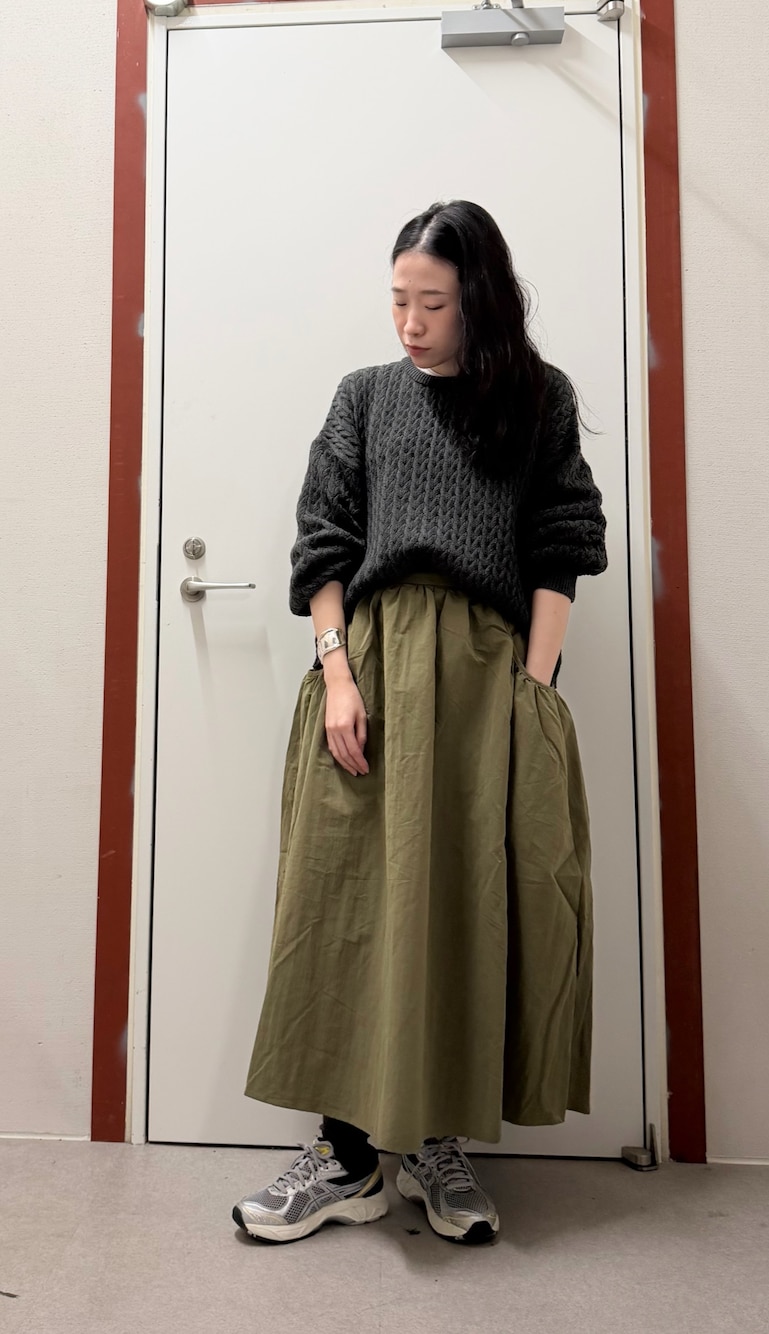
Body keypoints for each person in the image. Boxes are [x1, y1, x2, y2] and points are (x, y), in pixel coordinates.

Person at [232, 200, 607, 1246]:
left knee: (463, 901)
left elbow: (563, 542)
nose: (409, 323)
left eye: (431, 303)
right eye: (398, 299)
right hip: (371, 669)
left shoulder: (539, 400)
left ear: (477, 298)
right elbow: (324, 540)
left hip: (486, 679)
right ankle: (348, 1159)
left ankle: (437, 1142)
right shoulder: (363, 397)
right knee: (346, 898)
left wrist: (533, 687)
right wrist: (338, 674)